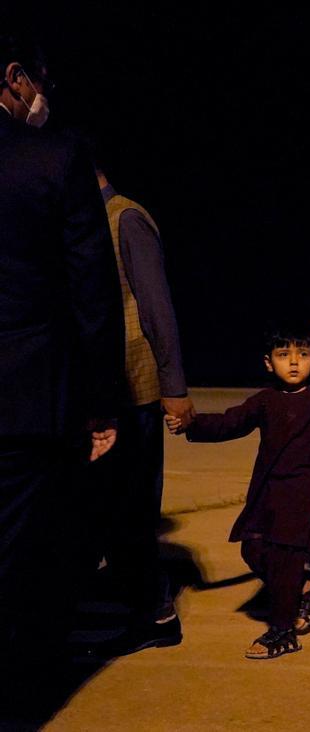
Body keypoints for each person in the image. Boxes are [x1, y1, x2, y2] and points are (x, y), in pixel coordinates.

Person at [1, 35, 123, 671]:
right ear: (15, 78)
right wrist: (102, 402)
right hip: (24, 397)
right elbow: (92, 292)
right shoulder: (52, 158)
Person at [170, 325, 310, 660]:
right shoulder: (265, 401)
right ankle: (302, 588)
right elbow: (229, 423)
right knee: (253, 548)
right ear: (268, 363)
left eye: (302, 355)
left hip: (302, 493)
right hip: (267, 491)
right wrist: (191, 424)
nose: (294, 363)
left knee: (284, 559)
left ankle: (283, 632)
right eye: (283, 356)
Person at [88, 163, 193, 656]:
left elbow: (156, 306)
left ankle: (156, 612)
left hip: (137, 386)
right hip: (106, 388)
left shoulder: (125, 218)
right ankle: (131, 598)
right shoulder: (88, 219)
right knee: (107, 503)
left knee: (131, 504)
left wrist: (173, 385)